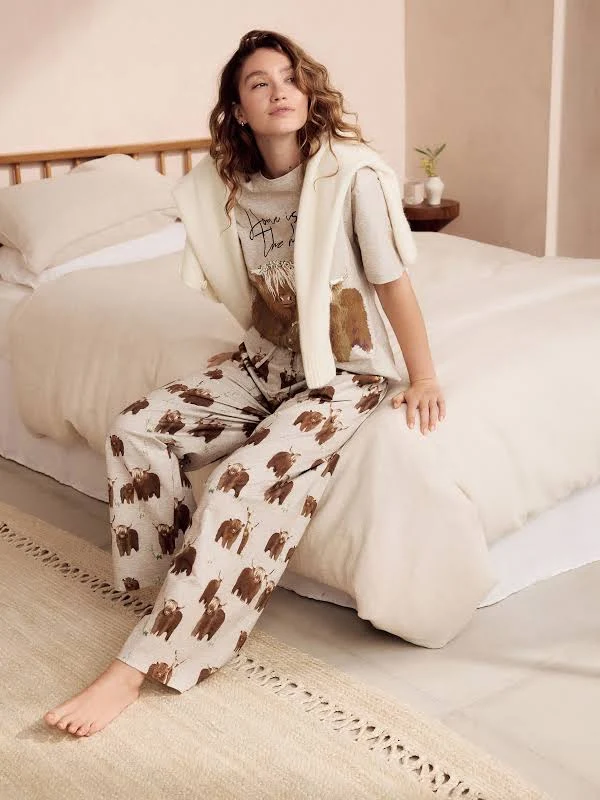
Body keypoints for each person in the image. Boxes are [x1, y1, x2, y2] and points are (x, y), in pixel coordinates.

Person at [44, 29, 445, 737]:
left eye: (290, 77)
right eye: (260, 83)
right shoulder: (228, 187)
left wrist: (425, 375)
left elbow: (391, 283)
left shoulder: (351, 179)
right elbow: (238, 266)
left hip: (342, 376)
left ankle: (137, 667)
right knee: (136, 429)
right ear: (238, 109)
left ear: (308, 91)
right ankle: (168, 593)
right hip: (261, 363)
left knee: (239, 484)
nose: (279, 91)